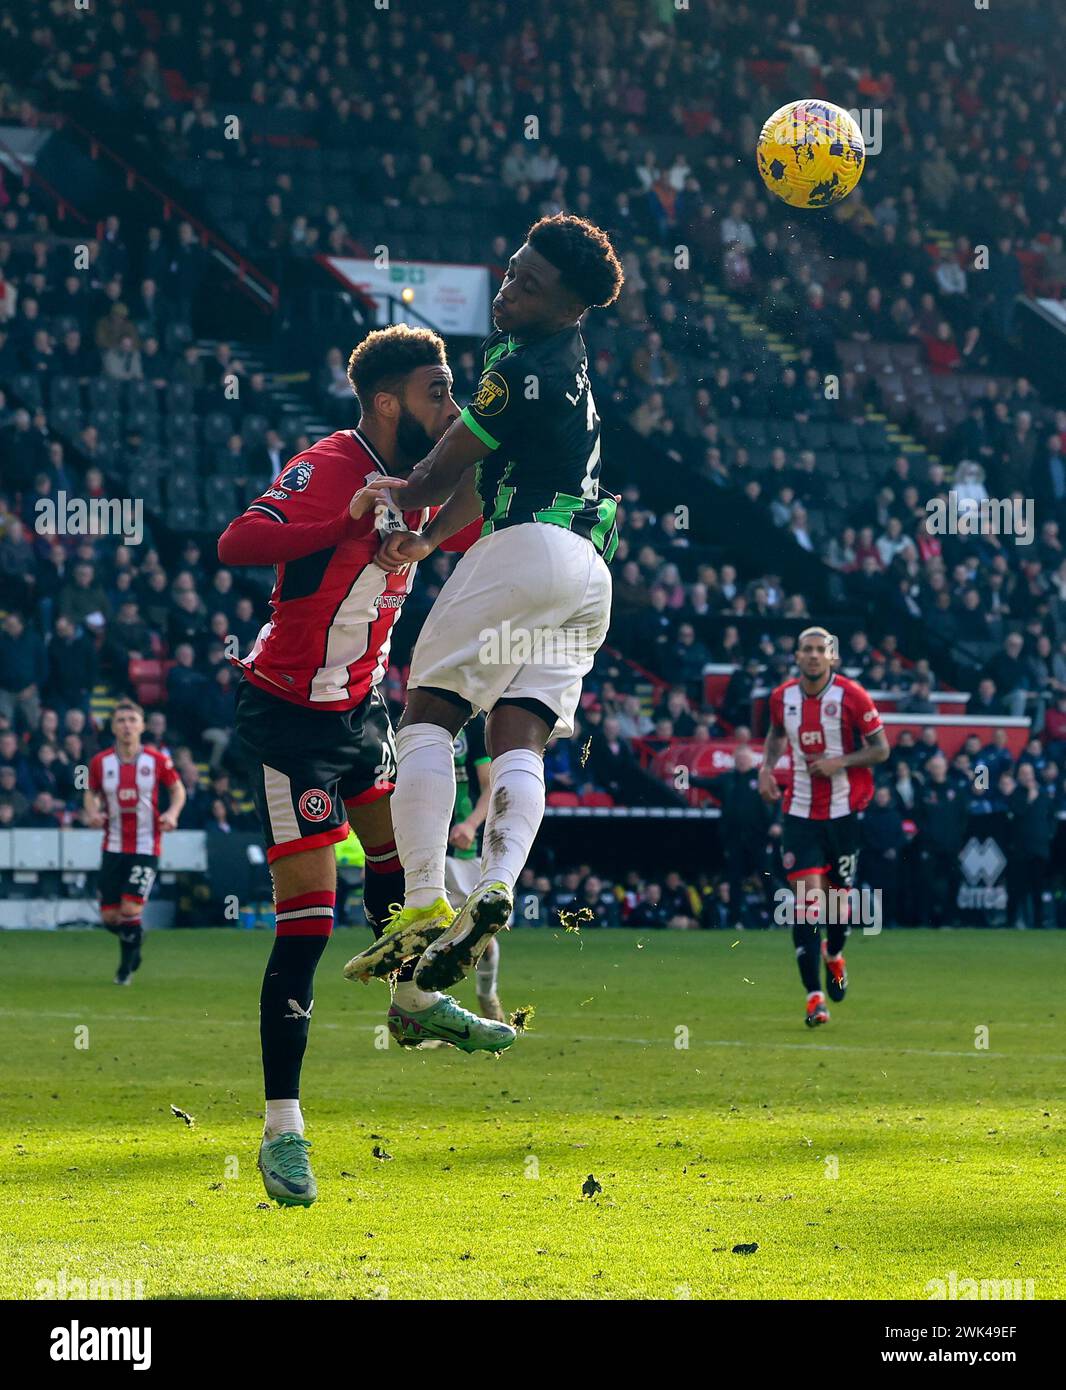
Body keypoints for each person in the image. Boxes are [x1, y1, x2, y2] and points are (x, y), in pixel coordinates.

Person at [217, 325, 514, 1209]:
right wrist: (336, 522)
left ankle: (413, 1003)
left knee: (403, 869)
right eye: (436, 391)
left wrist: (425, 535)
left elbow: (479, 494)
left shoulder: (424, 477)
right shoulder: (331, 464)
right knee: (307, 927)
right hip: (291, 718)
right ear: (387, 402)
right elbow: (238, 543)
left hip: (361, 709)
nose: (449, 407)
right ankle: (283, 1130)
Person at [344, 213, 624, 994]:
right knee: (519, 734)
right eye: (511, 272)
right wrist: (431, 541)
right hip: (588, 576)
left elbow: (435, 475)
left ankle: (425, 901)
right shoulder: (563, 359)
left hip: (529, 550)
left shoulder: (517, 365)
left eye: (530, 287)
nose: (509, 292)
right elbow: (477, 478)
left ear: (569, 306)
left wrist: (388, 499)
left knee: (429, 712)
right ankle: (497, 883)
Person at [759, 627, 889, 1026]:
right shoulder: (783, 697)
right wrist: (766, 769)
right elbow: (777, 733)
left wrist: (840, 763)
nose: (814, 656)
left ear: (833, 658)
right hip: (798, 813)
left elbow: (881, 749)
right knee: (807, 906)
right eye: (807, 650)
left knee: (838, 904)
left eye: (821, 650)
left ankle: (835, 956)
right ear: (796, 656)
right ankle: (814, 997)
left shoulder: (852, 696)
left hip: (843, 813)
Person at [83, 701, 185, 985]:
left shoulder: (157, 760)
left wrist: (172, 814)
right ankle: (135, 936)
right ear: (113, 727)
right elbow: (90, 792)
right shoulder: (100, 762)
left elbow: (178, 790)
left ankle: (124, 970)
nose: (126, 725)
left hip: (145, 845)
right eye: (121, 720)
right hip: (113, 845)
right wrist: (91, 812)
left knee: (130, 910)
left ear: (142, 725)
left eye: (132, 720)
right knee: (111, 918)